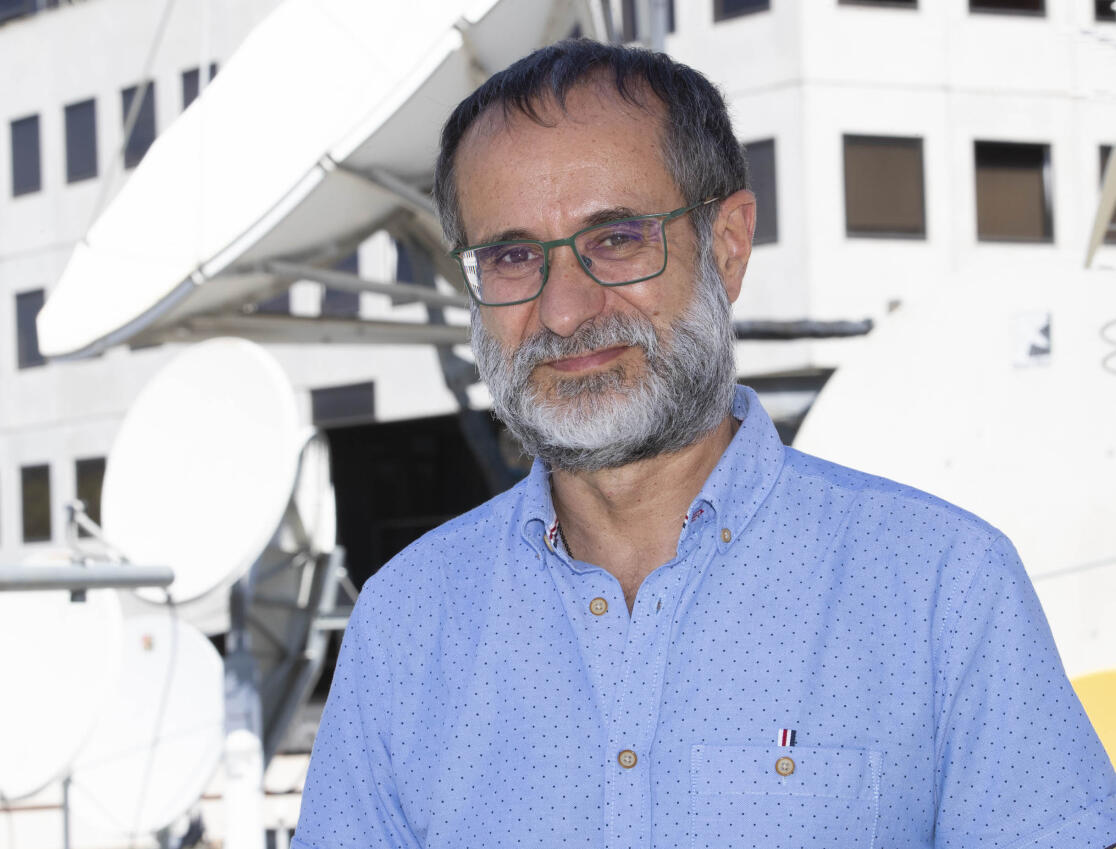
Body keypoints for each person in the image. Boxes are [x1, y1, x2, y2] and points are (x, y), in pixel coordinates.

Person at [294, 40, 1116, 848]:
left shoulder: (943, 590)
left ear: (727, 245)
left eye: (617, 239)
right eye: (512, 256)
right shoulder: (405, 625)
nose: (565, 311)